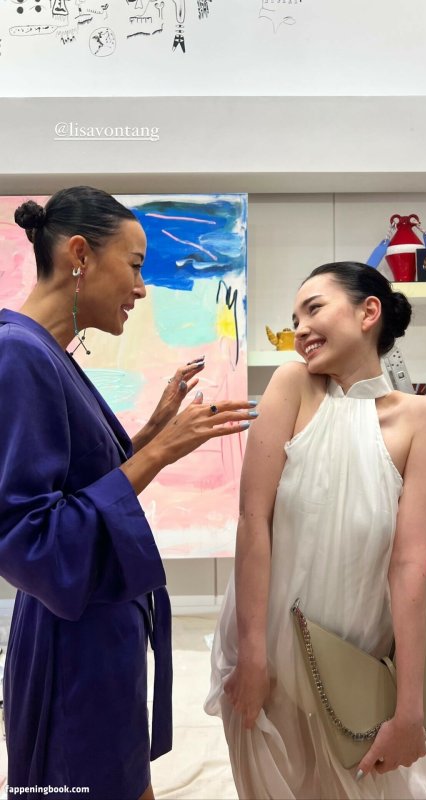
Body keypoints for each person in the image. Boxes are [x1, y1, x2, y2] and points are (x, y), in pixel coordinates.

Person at [0, 186, 256, 800]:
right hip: (72, 644)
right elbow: (30, 538)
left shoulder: (45, 353)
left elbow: (82, 488)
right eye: (136, 266)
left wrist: (153, 432)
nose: (142, 289)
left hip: (94, 629)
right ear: (80, 255)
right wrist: (160, 452)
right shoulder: (18, 354)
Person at [205, 261, 426, 800]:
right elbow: (253, 521)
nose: (300, 329)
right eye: (294, 319)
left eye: (313, 309)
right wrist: (251, 656)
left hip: (355, 666)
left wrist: (410, 710)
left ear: (368, 312)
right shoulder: (293, 386)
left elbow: (409, 567)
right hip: (266, 659)